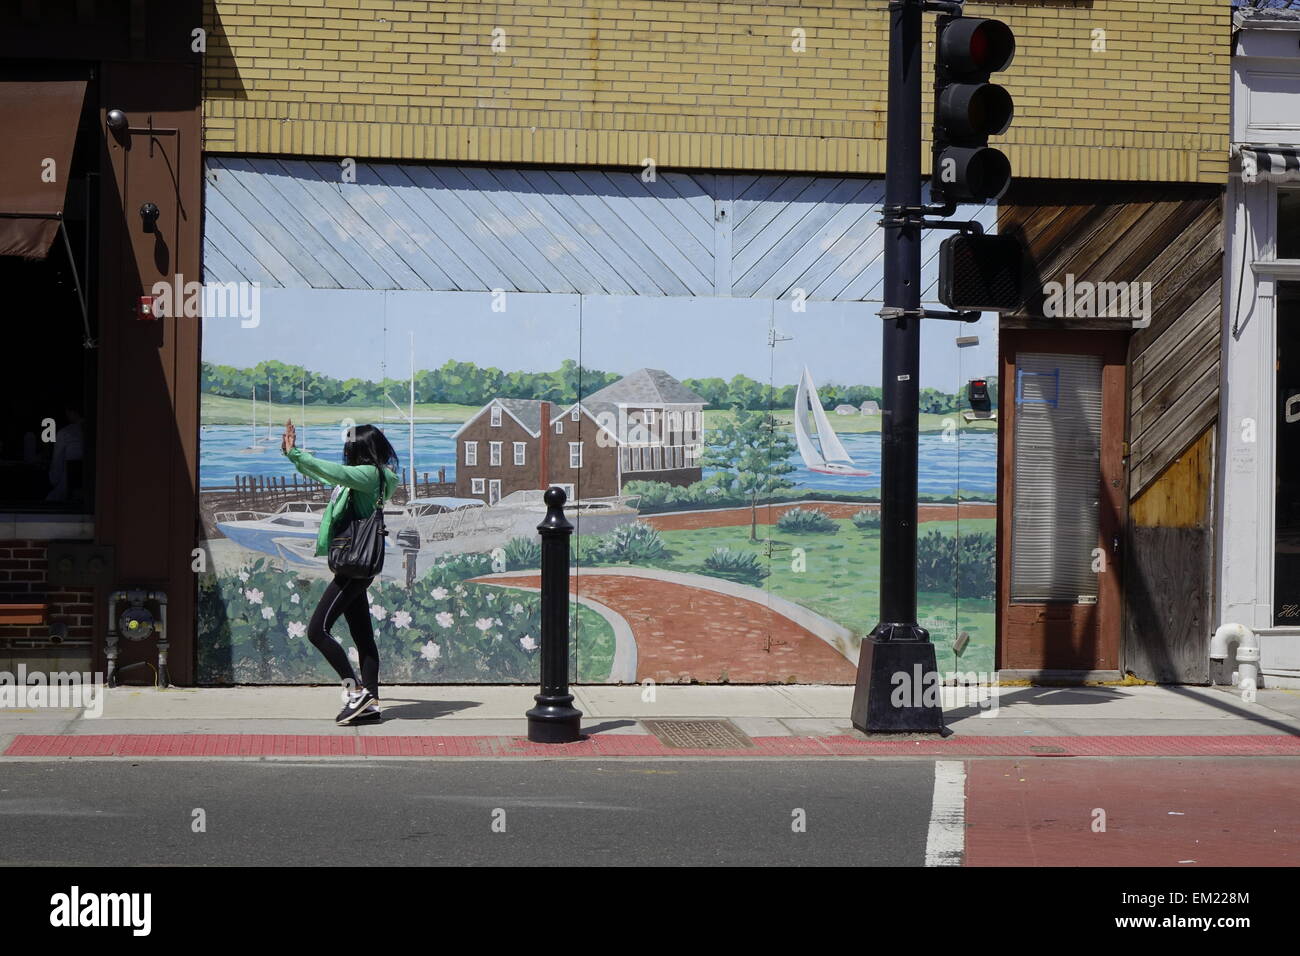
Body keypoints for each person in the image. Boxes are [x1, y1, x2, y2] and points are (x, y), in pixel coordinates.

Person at [281, 419, 399, 725]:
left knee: (316, 631)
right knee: (363, 637)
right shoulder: (378, 476)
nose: (345, 449)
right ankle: (370, 707)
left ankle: (356, 689)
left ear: (360, 447)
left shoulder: (368, 475)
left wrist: (297, 454)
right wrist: (293, 455)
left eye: (349, 445)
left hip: (352, 567)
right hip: (360, 565)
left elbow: (335, 472)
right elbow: (325, 475)